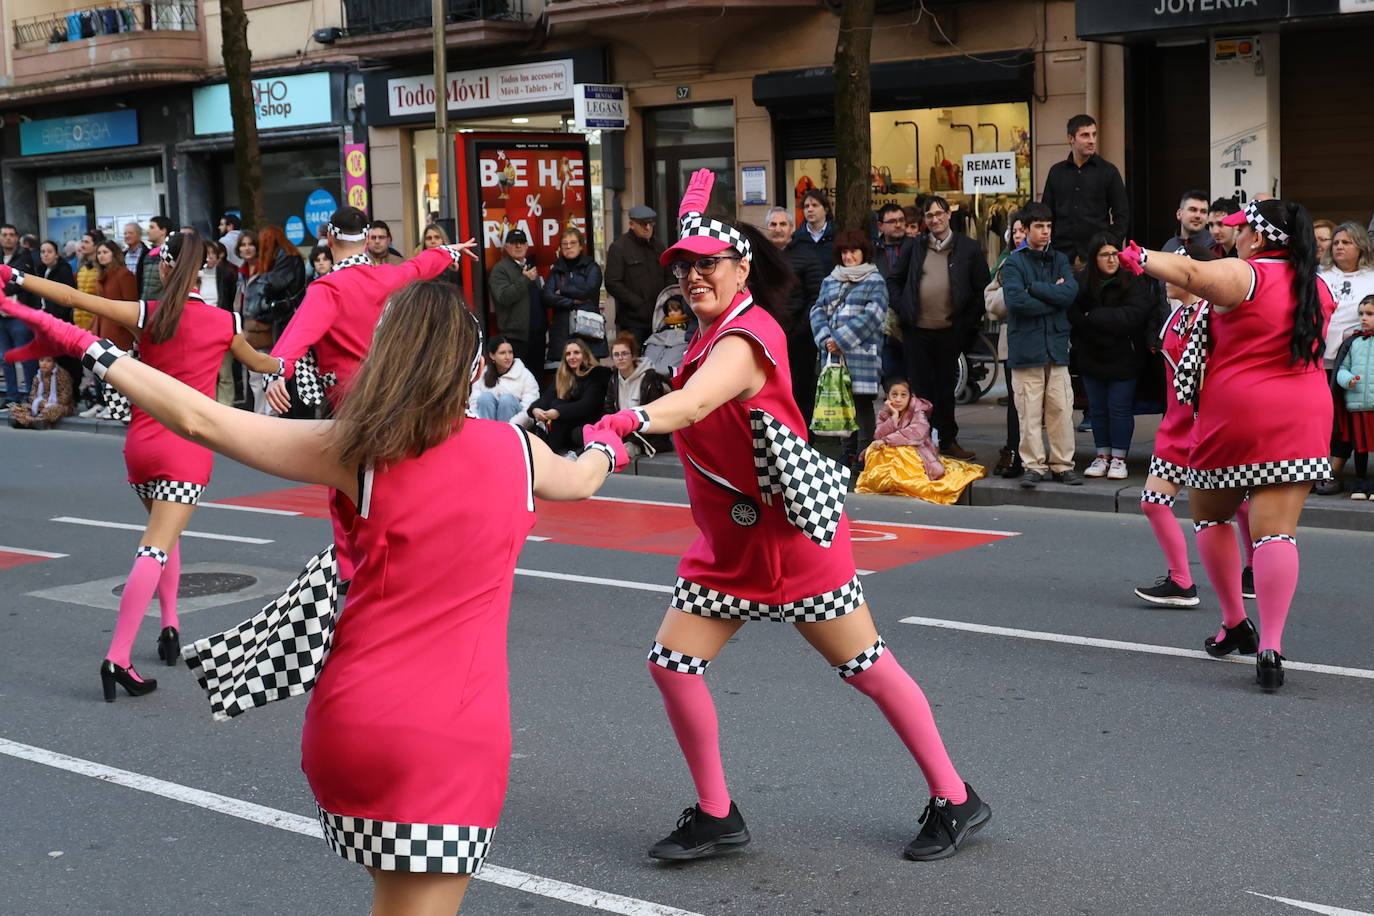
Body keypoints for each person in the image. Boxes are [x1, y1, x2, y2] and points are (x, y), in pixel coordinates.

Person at [1, 277, 624, 915]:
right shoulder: (520, 452)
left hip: (353, 720)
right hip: (450, 732)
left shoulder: (356, 448)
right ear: (470, 366)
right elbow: (584, 477)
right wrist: (615, 437)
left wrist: (83, 342)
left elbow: (199, 417)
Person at [585, 168, 990, 864]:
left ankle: (956, 797)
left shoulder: (745, 338)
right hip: (731, 549)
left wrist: (624, 419)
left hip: (792, 539)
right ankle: (716, 813)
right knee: (672, 665)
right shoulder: (704, 336)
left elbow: (690, 406)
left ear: (741, 267)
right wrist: (627, 452)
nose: (694, 278)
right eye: (684, 268)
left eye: (708, 264)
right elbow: (699, 433)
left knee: (866, 666)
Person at [0, 233, 284, 701]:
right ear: (203, 270)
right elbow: (263, 363)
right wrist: (291, 364)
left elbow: (73, 297)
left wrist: (13, 275)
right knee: (155, 546)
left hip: (142, 441)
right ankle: (118, 657)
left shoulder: (147, 313)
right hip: (187, 445)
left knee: (163, 534)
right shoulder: (224, 321)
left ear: (165, 268)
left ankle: (170, 626)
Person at [1117, 197, 1334, 690]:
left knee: (1212, 516)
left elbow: (1192, 274)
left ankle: (1236, 622)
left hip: (1239, 414)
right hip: (1305, 413)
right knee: (1277, 532)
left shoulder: (1247, 275)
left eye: (1239, 230)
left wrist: (1142, 257)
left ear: (1257, 238)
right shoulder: (1316, 286)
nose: (1232, 236)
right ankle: (1273, 644)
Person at [891, 195, 990, 460]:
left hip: (950, 331)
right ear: (924, 220)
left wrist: (967, 324)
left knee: (946, 390)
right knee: (920, 390)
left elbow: (982, 288)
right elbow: (895, 281)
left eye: (938, 214)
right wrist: (904, 308)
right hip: (917, 331)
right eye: (929, 216)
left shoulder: (968, 248)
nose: (934, 220)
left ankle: (948, 441)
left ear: (948, 215)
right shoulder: (914, 247)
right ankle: (920, 441)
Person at [1002, 201, 1081, 488]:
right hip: (1026, 348)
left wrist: (1034, 289)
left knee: (1061, 408)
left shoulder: (1059, 259)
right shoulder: (1013, 262)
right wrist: (1053, 295)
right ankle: (1033, 466)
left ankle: (1062, 465)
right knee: (1029, 411)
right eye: (1039, 227)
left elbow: (1069, 294)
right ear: (1025, 229)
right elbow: (1015, 302)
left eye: (1048, 226)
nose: (1045, 232)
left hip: (1056, 346)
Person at [1069, 234, 1153, 480]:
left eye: (1115, 253)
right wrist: (1106, 318)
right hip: (1091, 355)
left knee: (1119, 409)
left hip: (1124, 356)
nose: (1111, 259)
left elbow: (1133, 316)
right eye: (1105, 254)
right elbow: (1073, 315)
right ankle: (1102, 455)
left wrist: (1092, 316)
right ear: (1094, 258)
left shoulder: (1132, 281)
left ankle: (1119, 457)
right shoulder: (1080, 282)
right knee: (1097, 410)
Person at [810, 228, 887, 466]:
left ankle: (864, 454)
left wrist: (840, 340)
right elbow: (817, 310)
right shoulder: (830, 279)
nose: (848, 256)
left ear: (864, 253)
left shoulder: (875, 281)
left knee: (862, 406)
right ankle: (847, 452)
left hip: (861, 355)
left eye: (853, 251)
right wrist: (825, 341)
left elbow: (873, 315)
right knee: (840, 403)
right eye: (844, 251)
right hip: (834, 357)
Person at [1314, 221, 1374, 495]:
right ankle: (1314, 470)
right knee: (1317, 417)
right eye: (1336, 242)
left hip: (1352, 361)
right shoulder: (1321, 275)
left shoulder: (1371, 277)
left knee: (1343, 420)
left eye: (1346, 242)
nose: (1339, 246)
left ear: (1361, 246)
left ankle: (1334, 471)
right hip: (1317, 359)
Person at [853, 379, 982, 505]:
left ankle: (900, 480)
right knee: (876, 449)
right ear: (888, 396)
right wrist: (893, 418)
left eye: (903, 395)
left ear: (910, 396)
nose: (898, 399)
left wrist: (887, 440)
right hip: (892, 450)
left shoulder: (917, 412)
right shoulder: (886, 412)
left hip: (916, 451)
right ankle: (885, 480)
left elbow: (917, 433)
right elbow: (879, 434)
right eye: (894, 395)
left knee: (902, 450)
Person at [1040, 114, 1129, 264]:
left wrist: (1110, 243)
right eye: (1085, 135)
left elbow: (1122, 214)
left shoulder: (1108, 171)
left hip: (1097, 254)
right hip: (1060, 254)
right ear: (1071, 139)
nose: (1092, 140)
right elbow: (1046, 213)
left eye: (1094, 134)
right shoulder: (1056, 171)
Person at [765, 205, 823, 426]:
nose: (777, 229)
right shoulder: (759, 258)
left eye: (782, 224)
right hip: (767, 337)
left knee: (800, 390)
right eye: (773, 224)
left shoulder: (806, 256)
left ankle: (803, 439)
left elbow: (816, 296)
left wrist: (799, 328)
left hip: (799, 339)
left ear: (791, 228)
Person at [984, 212, 1027, 478]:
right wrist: (1015, 293)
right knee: (1015, 401)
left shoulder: (1051, 259)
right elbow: (992, 305)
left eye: (1024, 230)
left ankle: (1037, 455)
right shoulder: (1006, 262)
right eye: (1016, 230)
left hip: (1043, 342)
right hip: (1012, 340)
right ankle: (1013, 449)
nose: (1019, 235)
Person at [83, 240, 139, 419]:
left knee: (115, 370)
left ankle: (117, 408)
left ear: (114, 254)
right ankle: (102, 404)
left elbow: (130, 304)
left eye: (105, 252)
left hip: (119, 329)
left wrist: (128, 331)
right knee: (100, 368)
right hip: (102, 326)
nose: (101, 256)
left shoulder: (124, 274)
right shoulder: (103, 274)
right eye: (99, 253)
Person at [529, 337, 610, 456]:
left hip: (589, 424)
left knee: (558, 408)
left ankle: (547, 455)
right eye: (568, 354)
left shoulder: (596, 374)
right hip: (566, 426)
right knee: (555, 405)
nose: (572, 357)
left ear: (585, 355)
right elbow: (546, 399)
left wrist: (558, 412)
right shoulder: (564, 377)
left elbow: (587, 405)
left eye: (576, 353)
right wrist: (535, 409)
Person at [605, 205, 669, 346]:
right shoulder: (619, 247)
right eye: (642, 224)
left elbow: (668, 275)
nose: (647, 228)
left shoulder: (658, 245)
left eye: (651, 223)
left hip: (660, 316)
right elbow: (612, 283)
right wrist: (637, 304)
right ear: (631, 224)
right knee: (633, 361)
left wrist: (668, 302)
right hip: (633, 321)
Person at [1333, 295, 1374, 499]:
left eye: (1370, 314)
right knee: (1360, 446)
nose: (1363, 318)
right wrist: (1347, 379)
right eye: (1361, 314)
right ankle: (1359, 482)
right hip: (1357, 404)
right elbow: (1342, 368)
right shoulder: (1354, 343)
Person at [543, 227, 605, 361]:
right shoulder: (556, 270)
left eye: (573, 243)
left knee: (590, 373)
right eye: (564, 244)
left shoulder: (591, 267)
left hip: (588, 330)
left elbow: (588, 291)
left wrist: (563, 291)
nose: (568, 247)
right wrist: (572, 302)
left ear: (581, 246)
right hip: (563, 332)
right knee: (568, 377)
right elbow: (547, 297)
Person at [604, 332, 670, 455]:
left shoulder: (649, 378)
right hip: (623, 429)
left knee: (624, 447)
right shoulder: (614, 379)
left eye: (625, 354)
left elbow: (655, 414)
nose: (620, 358)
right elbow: (609, 409)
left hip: (647, 431)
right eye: (616, 355)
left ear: (633, 356)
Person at [488, 229, 545, 365]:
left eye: (521, 243)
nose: (518, 246)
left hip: (537, 335)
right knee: (516, 380)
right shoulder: (500, 269)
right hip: (515, 338)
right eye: (514, 243)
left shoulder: (530, 266)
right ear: (507, 247)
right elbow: (504, 297)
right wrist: (524, 279)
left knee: (537, 381)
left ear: (526, 246)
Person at [0, 223, 38, 405]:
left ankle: (30, 395)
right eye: (4, 235)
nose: (8, 237)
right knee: (5, 358)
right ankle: (11, 396)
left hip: (20, 317)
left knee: (26, 357)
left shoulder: (24, 257)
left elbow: (19, 281)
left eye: (11, 235)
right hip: (1, 318)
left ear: (17, 238)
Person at [467, 335, 539, 425]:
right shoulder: (483, 373)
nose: (508, 357)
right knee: (485, 398)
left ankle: (503, 435)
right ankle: (487, 433)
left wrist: (510, 425)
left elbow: (530, 406)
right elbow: (474, 402)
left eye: (510, 352)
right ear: (492, 355)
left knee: (507, 400)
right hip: (488, 425)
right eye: (502, 353)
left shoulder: (524, 374)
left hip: (515, 425)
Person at [7, 356, 73, 429]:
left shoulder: (62, 375)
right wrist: (41, 403)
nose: (44, 364)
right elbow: (32, 395)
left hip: (57, 404)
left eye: (48, 361)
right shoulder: (38, 375)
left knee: (51, 410)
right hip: (39, 404)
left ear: (54, 363)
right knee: (18, 408)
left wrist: (48, 403)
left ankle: (27, 421)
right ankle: (33, 421)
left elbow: (65, 397)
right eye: (41, 360)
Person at [642, 289, 691, 378]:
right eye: (669, 311)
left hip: (679, 345)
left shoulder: (689, 326)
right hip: (661, 344)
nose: (672, 313)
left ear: (683, 310)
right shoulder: (662, 328)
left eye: (675, 310)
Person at [1162, 190, 1224, 256]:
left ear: (1207, 218)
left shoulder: (1216, 245)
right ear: (1179, 214)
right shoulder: (1169, 246)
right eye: (1193, 210)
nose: (1198, 216)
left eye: (1203, 211)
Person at [792, 188, 835, 267]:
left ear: (826, 209)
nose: (810, 209)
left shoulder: (837, 235)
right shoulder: (796, 237)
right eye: (806, 206)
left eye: (815, 205)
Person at [138, 216, 173, 301]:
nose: (148, 231)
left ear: (163, 231)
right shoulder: (146, 254)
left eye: (152, 227)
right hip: (147, 305)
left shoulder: (171, 254)